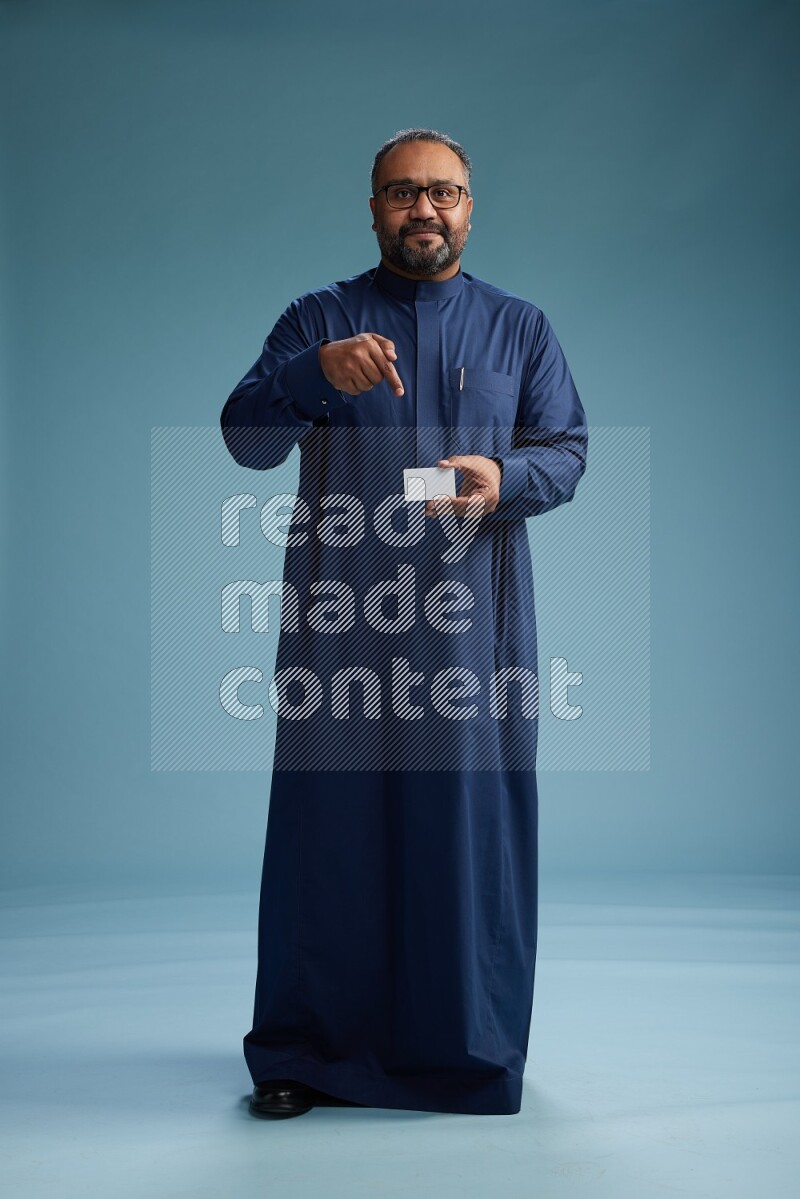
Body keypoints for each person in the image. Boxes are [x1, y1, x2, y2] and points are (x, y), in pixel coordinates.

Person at [220, 127, 588, 1119]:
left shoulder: (519, 329)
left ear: (469, 205)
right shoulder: (321, 317)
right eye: (400, 193)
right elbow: (246, 437)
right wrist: (309, 376)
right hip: (342, 623)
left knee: (460, 836)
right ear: (372, 207)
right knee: (327, 835)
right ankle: (302, 1049)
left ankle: (463, 1051)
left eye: (443, 192)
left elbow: (566, 450)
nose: (422, 209)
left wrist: (502, 476)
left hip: (473, 634)